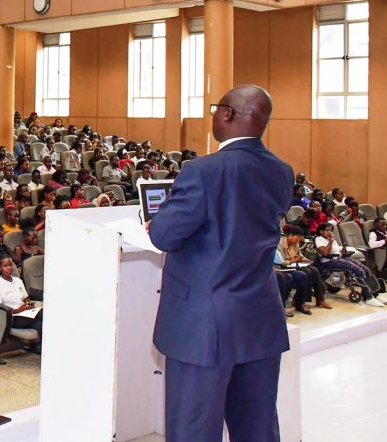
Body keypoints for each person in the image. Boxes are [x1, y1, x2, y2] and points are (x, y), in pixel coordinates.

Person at [147, 85, 294, 442]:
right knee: (257, 428)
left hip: (204, 325)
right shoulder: (281, 170)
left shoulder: (204, 171)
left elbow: (164, 235)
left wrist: (158, 222)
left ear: (226, 114)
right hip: (259, 317)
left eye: (215, 108)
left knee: (194, 429)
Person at [314, 222, 381, 306]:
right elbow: (325, 253)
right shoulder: (319, 239)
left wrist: (341, 251)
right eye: (327, 230)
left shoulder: (330, 238)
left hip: (339, 258)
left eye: (331, 230)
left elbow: (336, 250)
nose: (330, 232)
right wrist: (330, 241)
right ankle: (368, 297)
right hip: (328, 262)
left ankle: (374, 293)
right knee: (359, 271)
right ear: (321, 231)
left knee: (366, 270)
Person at [0, 254, 41, 346]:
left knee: (40, 323)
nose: (9, 268)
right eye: (5, 266)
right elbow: (0, 311)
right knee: (43, 317)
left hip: (26, 313)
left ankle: (40, 347)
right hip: (13, 318)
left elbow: (26, 298)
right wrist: (18, 310)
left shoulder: (18, 281)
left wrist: (28, 304)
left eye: (10, 265)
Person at [277, 225, 331, 310]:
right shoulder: (280, 244)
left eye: (300, 237)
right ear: (290, 235)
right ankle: (299, 301)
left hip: (294, 264)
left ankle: (320, 299)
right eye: (297, 237)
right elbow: (282, 263)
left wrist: (306, 260)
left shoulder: (295, 243)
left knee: (314, 270)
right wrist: (295, 260)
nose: (299, 239)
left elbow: (299, 255)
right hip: (284, 267)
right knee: (306, 272)